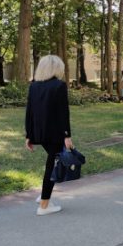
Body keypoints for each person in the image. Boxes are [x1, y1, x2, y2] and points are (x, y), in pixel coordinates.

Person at [25, 55, 73, 216]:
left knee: (52, 163)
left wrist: (29, 136)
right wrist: (67, 135)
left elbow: (29, 113)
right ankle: (44, 204)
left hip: (39, 133)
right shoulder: (59, 86)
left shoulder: (34, 86)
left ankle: (43, 198)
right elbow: (63, 113)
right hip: (55, 134)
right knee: (52, 166)